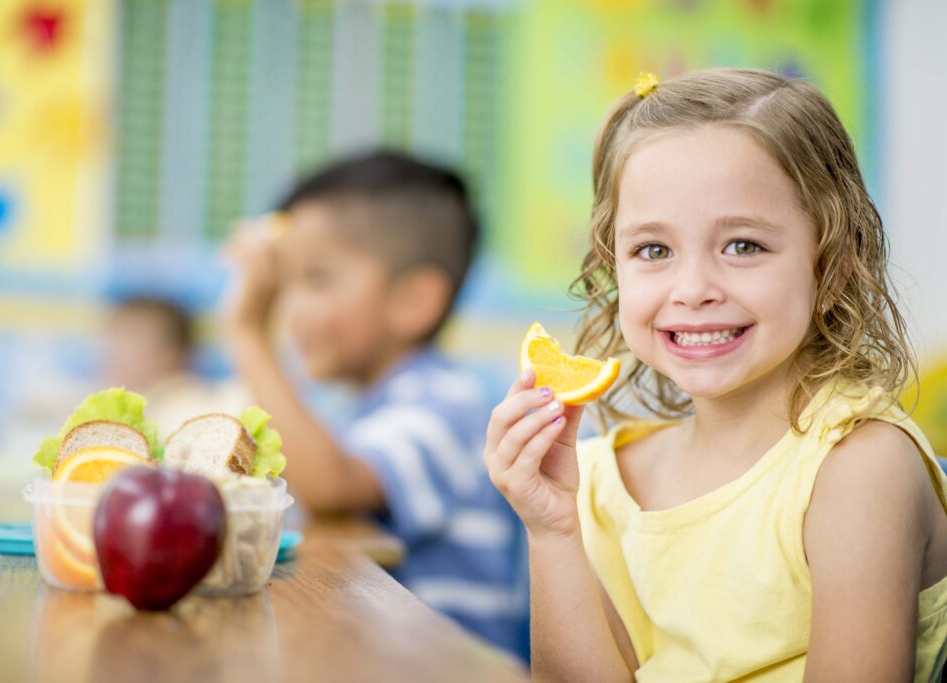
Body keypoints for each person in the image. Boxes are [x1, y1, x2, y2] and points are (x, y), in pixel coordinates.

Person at [484, 68, 947, 681]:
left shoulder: (858, 469)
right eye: (653, 251)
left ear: (831, 264)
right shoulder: (598, 482)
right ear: (613, 266)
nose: (693, 289)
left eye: (743, 246)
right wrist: (552, 530)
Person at [222, 151, 529, 659]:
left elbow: (329, 486)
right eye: (283, 285)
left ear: (413, 302)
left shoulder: (450, 402)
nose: (289, 308)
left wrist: (248, 332)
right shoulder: (370, 407)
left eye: (315, 280)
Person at [105, 295, 248, 437]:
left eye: (133, 340)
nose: (118, 354)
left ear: (175, 352)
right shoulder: (105, 405)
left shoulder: (208, 408)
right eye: (115, 340)